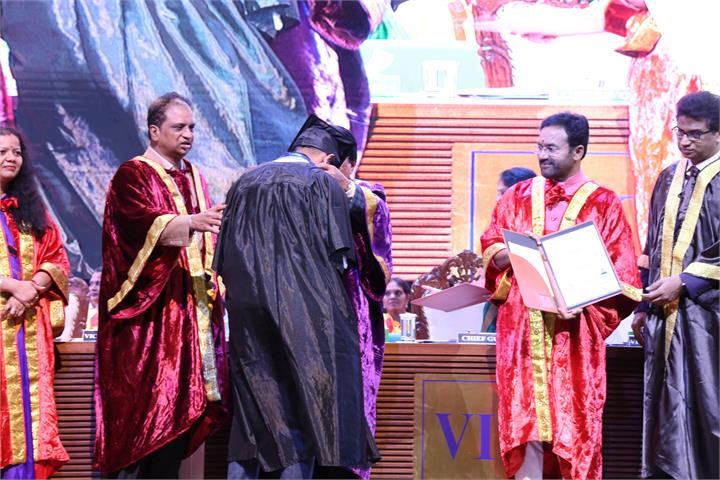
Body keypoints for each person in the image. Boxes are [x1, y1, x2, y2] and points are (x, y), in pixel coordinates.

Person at [215, 115, 379, 479]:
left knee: (251, 421)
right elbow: (342, 258)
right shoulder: (321, 182)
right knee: (302, 418)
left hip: (247, 317)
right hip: (304, 316)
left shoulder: (243, 181)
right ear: (329, 160)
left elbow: (222, 258)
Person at [480, 112, 642, 479]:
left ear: (578, 151)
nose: (542, 155)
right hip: (523, 334)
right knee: (526, 426)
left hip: (574, 338)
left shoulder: (604, 203)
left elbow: (624, 279)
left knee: (574, 429)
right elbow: (491, 246)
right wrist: (514, 252)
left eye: (551, 148)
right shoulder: (518, 195)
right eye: (539, 146)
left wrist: (581, 301)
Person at [93, 92, 229, 477]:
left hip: (186, 314)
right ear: (154, 131)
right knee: (145, 416)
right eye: (178, 127)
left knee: (178, 423)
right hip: (147, 320)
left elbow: (206, 240)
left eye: (192, 128)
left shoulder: (194, 176)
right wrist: (190, 223)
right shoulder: (132, 174)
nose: (188, 135)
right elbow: (137, 225)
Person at [632, 91, 719, 480]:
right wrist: (642, 305)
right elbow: (651, 246)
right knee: (665, 408)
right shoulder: (669, 177)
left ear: (718, 133)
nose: (685, 141)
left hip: (708, 322)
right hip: (665, 318)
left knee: (707, 409)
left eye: (695, 134)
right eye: (679, 132)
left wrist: (684, 282)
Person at [315, 119, 393, 480]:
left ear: (346, 163)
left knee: (346, 410)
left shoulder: (365, 195)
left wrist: (345, 189)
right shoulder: (297, 193)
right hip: (307, 318)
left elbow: (379, 263)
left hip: (350, 319)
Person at [0, 127, 70, 478]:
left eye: (16, 152)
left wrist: (32, 289)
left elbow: (56, 258)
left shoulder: (29, 210)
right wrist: (14, 287)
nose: (11, 158)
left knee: (30, 414)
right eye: (2, 152)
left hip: (28, 330)